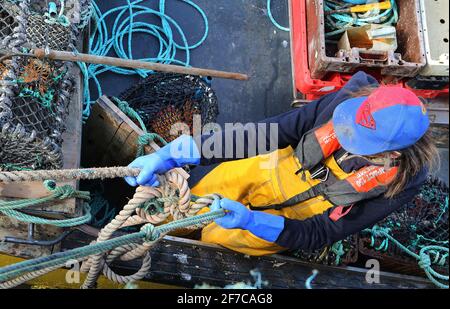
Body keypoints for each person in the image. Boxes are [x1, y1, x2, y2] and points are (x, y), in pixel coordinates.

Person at [125, 71, 438, 256]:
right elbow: (266, 133)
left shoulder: (406, 179)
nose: (345, 138)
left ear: (392, 153)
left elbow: (322, 233)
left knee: (216, 241)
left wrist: (252, 222)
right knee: (181, 208)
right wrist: (174, 154)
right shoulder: (348, 97)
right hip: (263, 170)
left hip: (288, 221)